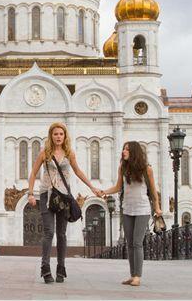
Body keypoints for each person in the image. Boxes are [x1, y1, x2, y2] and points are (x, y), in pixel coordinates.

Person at [27, 122, 102, 284]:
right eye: (55, 134)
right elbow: (33, 173)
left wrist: (92, 187)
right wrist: (30, 193)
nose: (58, 137)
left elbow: (78, 171)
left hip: (64, 197)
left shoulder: (70, 153)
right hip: (47, 195)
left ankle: (61, 268)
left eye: (61, 134)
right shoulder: (44, 153)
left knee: (61, 234)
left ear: (65, 136)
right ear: (51, 136)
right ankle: (45, 268)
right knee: (49, 232)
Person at [99, 141, 162, 287]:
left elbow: (153, 191)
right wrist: (104, 192)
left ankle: (138, 276)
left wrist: (157, 208)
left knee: (137, 242)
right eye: (123, 149)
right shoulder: (123, 168)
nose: (123, 151)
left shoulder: (147, 169)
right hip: (127, 208)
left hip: (142, 209)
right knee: (129, 244)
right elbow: (118, 186)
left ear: (134, 152)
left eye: (127, 149)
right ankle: (133, 274)